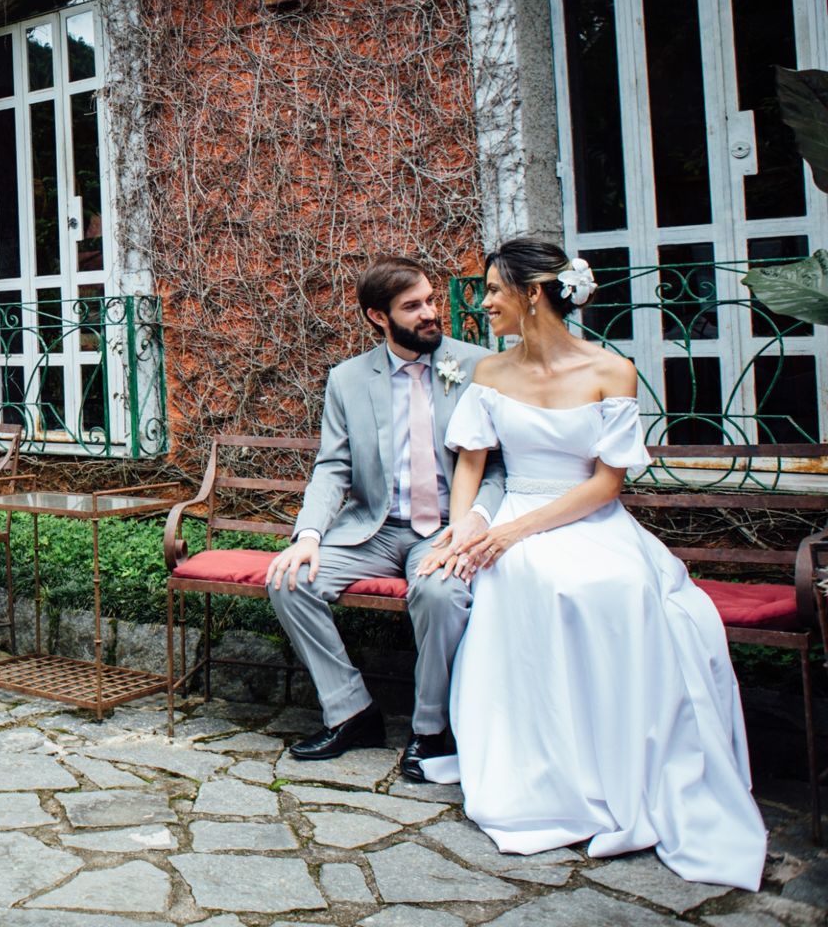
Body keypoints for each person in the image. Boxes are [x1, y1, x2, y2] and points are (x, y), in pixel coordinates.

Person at [417, 238, 765, 889]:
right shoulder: (490, 373)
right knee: (527, 577)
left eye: (493, 290)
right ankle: (541, 765)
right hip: (513, 514)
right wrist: (464, 529)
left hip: (584, 517)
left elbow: (607, 484)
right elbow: (470, 463)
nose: (484, 302)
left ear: (533, 294)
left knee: (612, 586)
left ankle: (613, 763)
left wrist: (513, 531)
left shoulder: (612, 370)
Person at [267, 257, 505, 781]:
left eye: (430, 300)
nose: (430, 313)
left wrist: (474, 520)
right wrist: (309, 535)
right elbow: (333, 467)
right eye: (413, 306)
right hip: (372, 529)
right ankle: (351, 712)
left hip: (444, 529)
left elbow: (498, 467)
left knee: (441, 594)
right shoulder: (348, 379)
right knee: (288, 580)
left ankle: (431, 729)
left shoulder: (479, 366)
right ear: (379, 316)